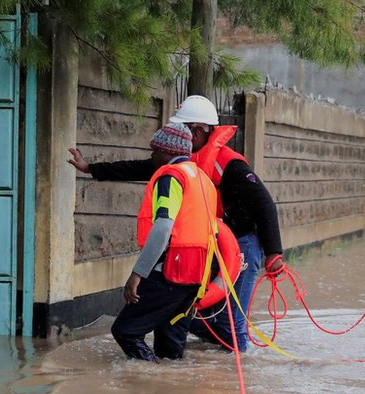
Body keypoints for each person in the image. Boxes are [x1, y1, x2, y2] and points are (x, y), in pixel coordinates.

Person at [68, 95, 285, 352]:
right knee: (189, 312)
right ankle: (198, 364)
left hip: (242, 241)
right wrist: (92, 169)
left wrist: (274, 253)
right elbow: (141, 167)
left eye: (183, 128)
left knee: (231, 317)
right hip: (205, 245)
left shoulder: (228, 164)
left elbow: (265, 204)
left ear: (196, 131)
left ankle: (237, 364)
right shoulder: (183, 163)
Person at [110, 122, 219, 362]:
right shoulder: (203, 179)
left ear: (167, 152)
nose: (152, 156)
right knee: (170, 348)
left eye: (155, 150)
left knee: (126, 331)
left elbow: (163, 226)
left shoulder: (171, 178)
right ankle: (164, 391)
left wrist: (137, 274)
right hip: (196, 276)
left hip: (170, 272)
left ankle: (149, 375)